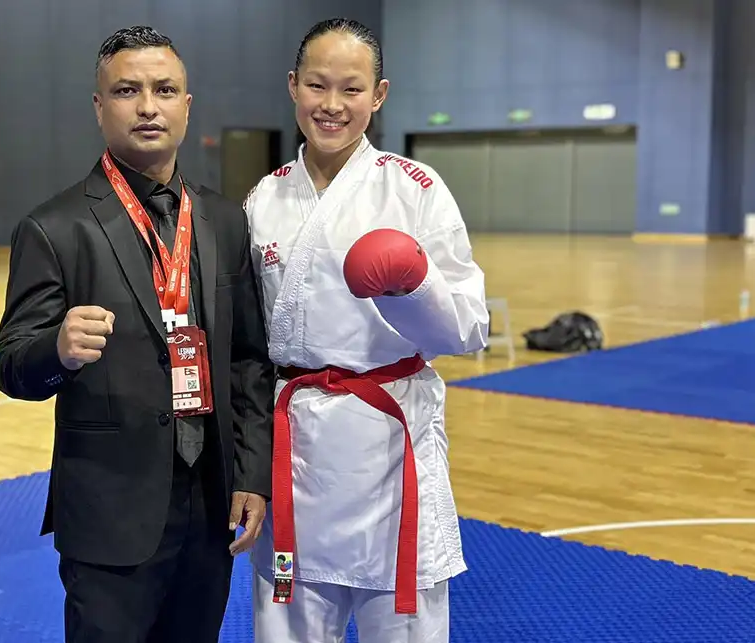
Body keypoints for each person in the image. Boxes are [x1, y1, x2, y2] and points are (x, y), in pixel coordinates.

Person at [0, 25, 274, 643]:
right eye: (127, 90)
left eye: (164, 90)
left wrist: (253, 473)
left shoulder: (225, 220)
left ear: (187, 106)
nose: (148, 106)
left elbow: (249, 360)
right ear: (100, 107)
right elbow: (11, 366)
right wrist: (57, 350)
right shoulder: (54, 228)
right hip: (110, 513)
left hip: (211, 504)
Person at [242, 17, 489, 643]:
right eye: (317, 86)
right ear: (293, 86)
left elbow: (469, 327)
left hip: (389, 444)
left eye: (351, 89)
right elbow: (246, 339)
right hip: (297, 450)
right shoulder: (263, 200)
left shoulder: (416, 191)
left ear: (378, 95)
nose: (332, 104)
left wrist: (415, 286)